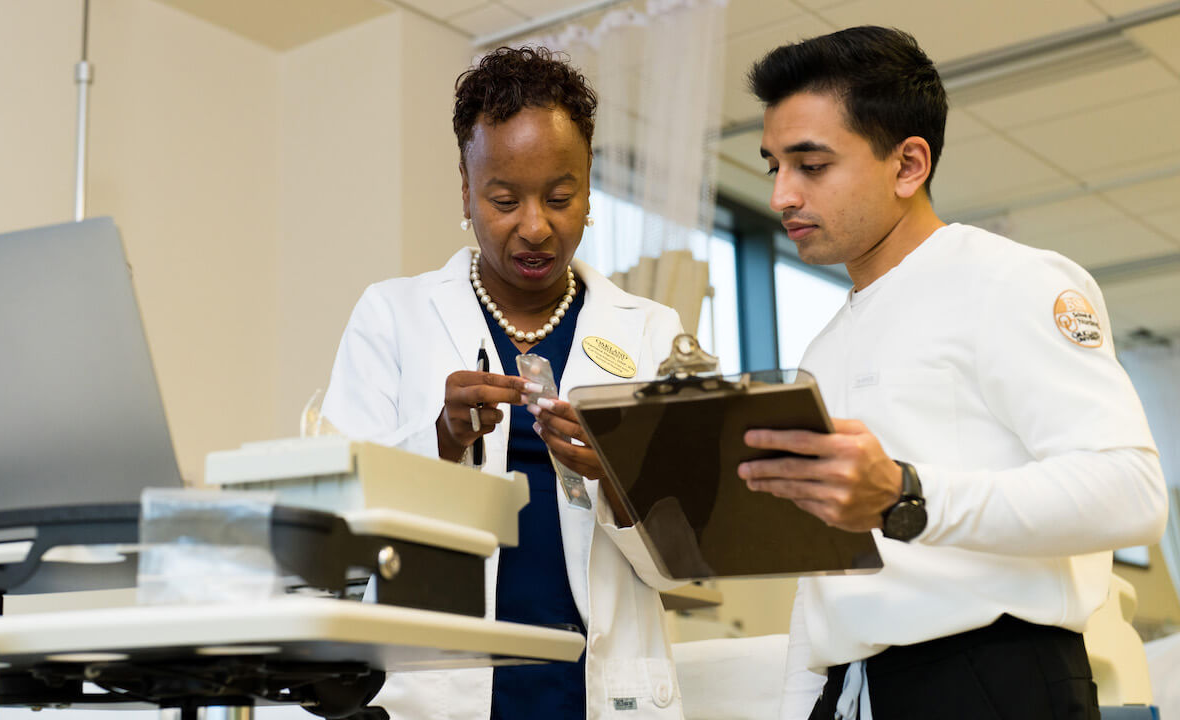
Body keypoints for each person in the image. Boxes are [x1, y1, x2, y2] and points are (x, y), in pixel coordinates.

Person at [736, 26, 1167, 720]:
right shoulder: (823, 347)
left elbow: (1131, 491)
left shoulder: (1009, 281)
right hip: (854, 686)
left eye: (811, 165)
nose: (783, 195)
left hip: (993, 677)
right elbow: (826, 579)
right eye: (773, 167)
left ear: (908, 165)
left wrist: (906, 495)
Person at [321, 47, 686, 720]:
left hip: (597, 690)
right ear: (466, 190)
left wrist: (615, 475)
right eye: (504, 200)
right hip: (434, 689)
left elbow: (684, 560)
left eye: (559, 198)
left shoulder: (652, 333)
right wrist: (439, 439)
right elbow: (334, 527)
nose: (536, 226)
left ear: (588, 189)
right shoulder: (392, 316)